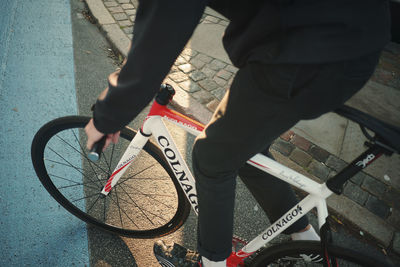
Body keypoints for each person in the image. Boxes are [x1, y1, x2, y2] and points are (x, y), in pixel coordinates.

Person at [85, 0, 391, 266]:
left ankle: (212, 263)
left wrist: (110, 113)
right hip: (344, 42)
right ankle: (304, 241)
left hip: (303, 54)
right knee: (244, 147)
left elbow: (165, 22)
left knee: (211, 157)